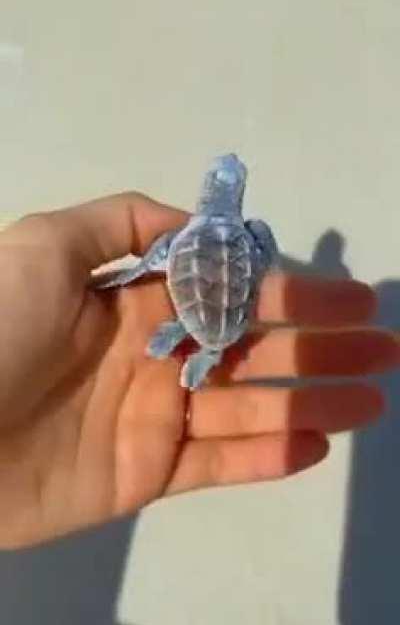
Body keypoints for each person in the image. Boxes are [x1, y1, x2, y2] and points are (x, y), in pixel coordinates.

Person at [0, 192, 397, 550]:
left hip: (194, 303)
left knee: (194, 323)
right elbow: (261, 257)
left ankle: (190, 339)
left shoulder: (185, 234)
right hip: (231, 315)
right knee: (216, 333)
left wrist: (132, 274)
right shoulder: (251, 232)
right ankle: (201, 347)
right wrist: (265, 263)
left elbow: (160, 256)